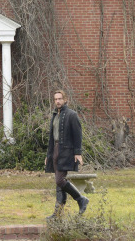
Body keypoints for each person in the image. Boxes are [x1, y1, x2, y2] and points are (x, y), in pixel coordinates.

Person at [44, 90, 89, 218]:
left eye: (60, 99)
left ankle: (80, 199)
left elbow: (78, 134)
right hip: (55, 150)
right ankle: (57, 214)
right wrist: (49, 155)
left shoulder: (72, 115)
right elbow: (52, 138)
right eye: (55, 99)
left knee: (59, 180)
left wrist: (78, 153)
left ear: (65, 99)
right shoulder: (55, 115)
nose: (57, 101)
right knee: (59, 183)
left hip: (66, 151)